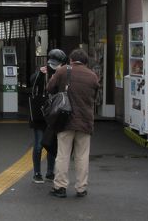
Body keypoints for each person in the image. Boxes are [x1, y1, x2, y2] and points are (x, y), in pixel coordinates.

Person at [47, 48, 99, 198]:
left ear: (70, 60)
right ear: (85, 62)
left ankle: (60, 187)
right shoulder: (92, 76)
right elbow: (94, 96)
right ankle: (81, 188)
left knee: (63, 154)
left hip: (65, 120)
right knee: (82, 156)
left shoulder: (63, 71)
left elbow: (50, 88)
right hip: (85, 121)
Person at [29, 48, 66, 184]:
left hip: (54, 114)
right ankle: (37, 173)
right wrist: (39, 73)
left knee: (51, 143)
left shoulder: (63, 73)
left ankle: (50, 172)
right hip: (40, 114)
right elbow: (31, 82)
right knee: (39, 144)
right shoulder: (42, 72)